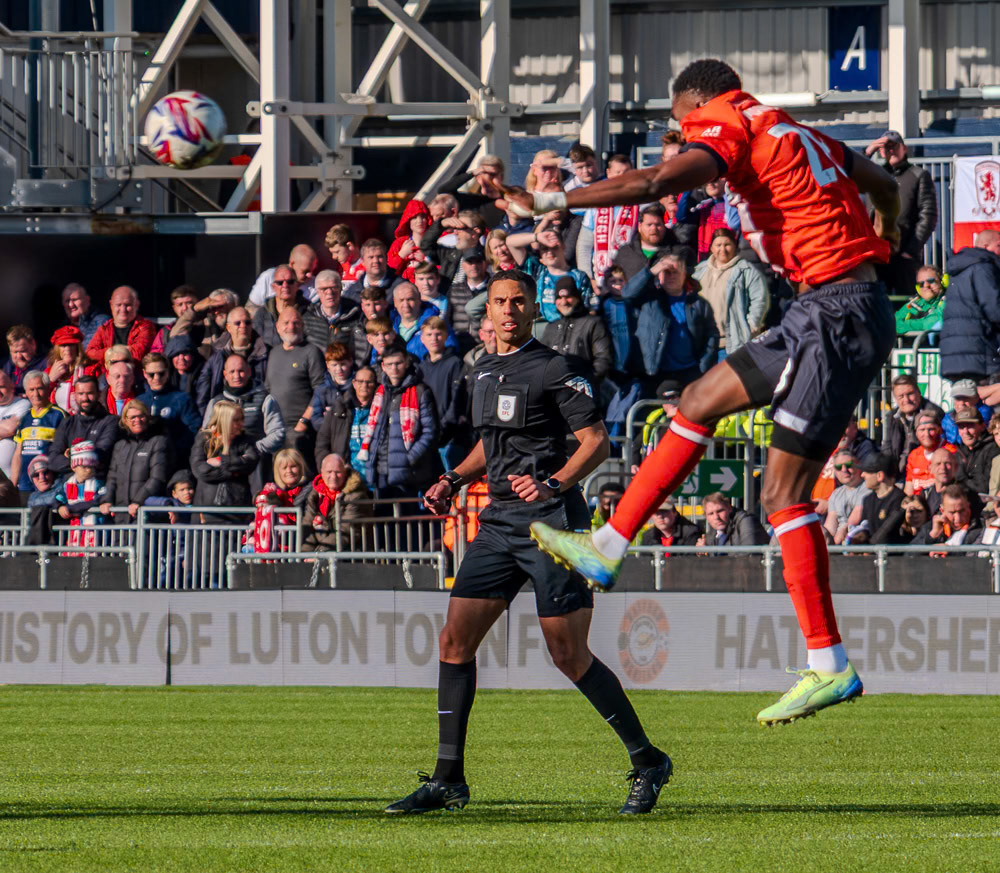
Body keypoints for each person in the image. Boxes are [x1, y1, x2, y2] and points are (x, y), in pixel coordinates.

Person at [515, 58, 900, 725]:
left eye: (682, 121)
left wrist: (555, 201)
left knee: (781, 492)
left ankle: (828, 663)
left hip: (835, 312)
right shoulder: (794, 129)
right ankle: (608, 544)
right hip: (825, 310)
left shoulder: (724, 121)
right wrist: (886, 238)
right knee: (696, 401)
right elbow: (887, 184)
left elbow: (659, 180)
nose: (686, 133)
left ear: (696, 103)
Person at [386, 268, 670, 817]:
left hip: (552, 526)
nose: (509, 310)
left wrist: (553, 483)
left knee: (568, 655)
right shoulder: (484, 368)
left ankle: (648, 760)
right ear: (486, 311)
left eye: (518, 301)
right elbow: (493, 446)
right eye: (499, 302)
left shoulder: (555, 367)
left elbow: (596, 442)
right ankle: (448, 779)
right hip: (497, 525)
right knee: (453, 643)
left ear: (531, 309)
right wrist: (453, 479)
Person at [621, 248, 719, 391]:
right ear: (659, 275)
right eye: (667, 272)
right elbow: (626, 294)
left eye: (676, 272)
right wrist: (653, 269)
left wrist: (704, 365)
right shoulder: (649, 299)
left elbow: (711, 335)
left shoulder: (698, 303)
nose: (671, 276)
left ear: (684, 274)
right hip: (655, 372)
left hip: (690, 371)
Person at [357, 344, 440, 499]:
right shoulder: (380, 392)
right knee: (383, 520)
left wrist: (410, 458)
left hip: (408, 474)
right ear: (383, 366)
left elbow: (431, 432)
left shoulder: (420, 391)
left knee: (408, 520)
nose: (394, 368)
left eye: (398, 363)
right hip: (381, 471)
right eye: (389, 364)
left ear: (407, 363)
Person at [864, 130, 938, 294]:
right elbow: (848, 174)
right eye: (886, 147)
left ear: (904, 149)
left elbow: (928, 215)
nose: (890, 150)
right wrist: (868, 152)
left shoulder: (918, 175)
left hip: (904, 256)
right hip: (877, 255)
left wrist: (910, 251)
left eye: (894, 146)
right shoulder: (874, 174)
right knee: (877, 305)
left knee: (907, 306)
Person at [204, 352, 286, 493]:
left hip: (255, 464)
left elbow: (278, 433)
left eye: (241, 371)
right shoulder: (215, 402)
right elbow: (206, 435)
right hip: (223, 463)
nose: (237, 376)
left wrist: (253, 450)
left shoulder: (265, 399)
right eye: (232, 372)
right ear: (225, 374)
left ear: (249, 372)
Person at [693, 228, 768, 359]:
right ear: (711, 248)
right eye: (718, 245)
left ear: (735, 247)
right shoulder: (700, 271)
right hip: (703, 343)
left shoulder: (746, 270)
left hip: (731, 344)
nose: (723, 249)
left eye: (727, 245)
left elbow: (760, 301)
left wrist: (750, 328)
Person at [940, 229, 1000, 382]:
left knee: (965, 402)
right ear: (986, 246)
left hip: (955, 356)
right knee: (992, 401)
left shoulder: (959, 269)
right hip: (980, 354)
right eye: (999, 245)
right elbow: (994, 308)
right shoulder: (983, 266)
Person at [99, 400, 171, 522]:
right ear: (125, 420)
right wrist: (107, 500)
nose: (137, 420)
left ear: (147, 418)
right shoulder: (120, 446)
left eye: (141, 416)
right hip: (121, 514)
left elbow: (157, 478)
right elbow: (112, 478)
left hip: (145, 515)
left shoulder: (158, 442)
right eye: (132, 417)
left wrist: (138, 501)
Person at [265, 309, 325, 453]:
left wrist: (303, 422)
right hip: (275, 430)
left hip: (299, 431)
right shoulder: (274, 353)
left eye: (296, 323)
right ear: (278, 327)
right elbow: (268, 389)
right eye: (286, 323)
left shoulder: (311, 352)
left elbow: (321, 389)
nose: (291, 327)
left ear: (303, 326)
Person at [189, 400, 259, 522]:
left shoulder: (246, 440)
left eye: (241, 419)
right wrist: (232, 472)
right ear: (224, 420)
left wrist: (222, 461)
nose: (241, 423)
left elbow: (250, 462)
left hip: (237, 508)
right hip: (207, 511)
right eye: (236, 420)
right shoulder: (205, 439)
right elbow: (200, 470)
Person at [195, 306, 269, 412]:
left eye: (247, 322)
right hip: (223, 413)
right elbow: (203, 391)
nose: (243, 326)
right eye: (238, 323)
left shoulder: (266, 352)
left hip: (256, 412)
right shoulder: (216, 355)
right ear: (228, 327)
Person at [540, 277, 613, 384]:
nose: (564, 302)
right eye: (559, 298)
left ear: (577, 298)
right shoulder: (551, 327)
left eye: (568, 297)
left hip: (584, 391)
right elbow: (541, 359)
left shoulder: (593, 323)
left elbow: (603, 360)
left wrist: (585, 383)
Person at [418, 317, 467, 470]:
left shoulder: (455, 363)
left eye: (438, 334)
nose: (434, 339)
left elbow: (456, 400)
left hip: (449, 437)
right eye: (429, 334)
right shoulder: (420, 367)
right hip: (426, 437)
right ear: (422, 338)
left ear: (446, 336)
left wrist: (444, 429)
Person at [46, 375, 118, 479]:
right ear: (74, 396)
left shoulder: (110, 422)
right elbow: (53, 460)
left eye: (90, 393)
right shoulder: (67, 423)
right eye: (81, 394)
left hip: (99, 486)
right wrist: (82, 462)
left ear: (99, 394)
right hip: (69, 488)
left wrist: (71, 455)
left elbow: (100, 455)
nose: (85, 398)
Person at [10, 371, 67, 496]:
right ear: (26, 392)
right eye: (31, 389)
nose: (35, 394)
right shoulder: (25, 417)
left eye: (39, 388)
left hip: (49, 483)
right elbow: (18, 454)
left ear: (48, 389)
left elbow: (65, 450)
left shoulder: (59, 415)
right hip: (26, 485)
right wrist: (14, 483)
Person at [302, 453, 372, 552]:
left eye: (338, 472)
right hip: (321, 553)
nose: (333, 476)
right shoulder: (315, 495)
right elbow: (308, 524)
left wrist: (319, 555)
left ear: (345, 472)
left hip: (351, 555)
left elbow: (346, 531)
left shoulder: (356, 496)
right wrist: (305, 554)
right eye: (329, 472)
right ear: (321, 473)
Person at [137, 353, 202, 458]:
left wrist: (171, 450)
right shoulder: (139, 401)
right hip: (143, 459)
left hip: (173, 458)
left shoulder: (182, 399)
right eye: (151, 374)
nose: (156, 378)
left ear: (167, 372)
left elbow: (194, 430)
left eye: (161, 373)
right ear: (144, 373)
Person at [881, 374, 944, 476]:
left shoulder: (933, 414)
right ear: (895, 398)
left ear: (918, 392)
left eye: (910, 394)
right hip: (898, 472)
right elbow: (887, 448)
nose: (906, 400)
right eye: (901, 396)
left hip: (925, 470)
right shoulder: (892, 417)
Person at [315, 366, 376, 472]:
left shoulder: (382, 410)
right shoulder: (337, 410)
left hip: (374, 473)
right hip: (345, 475)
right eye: (360, 381)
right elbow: (322, 444)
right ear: (354, 383)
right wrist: (328, 469)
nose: (364, 385)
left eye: (369, 382)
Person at [85, 286, 157, 375]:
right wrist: (125, 350)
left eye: (128, 305)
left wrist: (108, 353)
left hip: (137, 379)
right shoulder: (104, 329)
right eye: (118, 305)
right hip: (109, 378)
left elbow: (138, 353)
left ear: (136, 304)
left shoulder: (145, 326)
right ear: (111, 305)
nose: (123, 309)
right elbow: (90, 353)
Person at [252, 448, 310, 553]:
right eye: (284, 468)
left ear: (301, 467)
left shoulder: (310, 490)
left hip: (302, 544)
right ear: (278, 471)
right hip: (277, 547)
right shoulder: (271, 492)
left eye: (293, 466)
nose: (289, 471)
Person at [54, 441, 108, 550]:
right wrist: (59, 507)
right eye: (84, 466)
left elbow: (97, 500)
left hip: (96, 531)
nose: (89, 469)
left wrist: (72, 508)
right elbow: (57, 497)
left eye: (92, 466)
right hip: (75, 530)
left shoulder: (99, 484)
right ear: (74, 467)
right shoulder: (66, 485)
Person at [845, 453, 906, 545]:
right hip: (870, 555)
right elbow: (865, 529)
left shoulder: (899, 499)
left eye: (867, 471)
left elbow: (888, 533)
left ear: (879, 476)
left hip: (893, 556)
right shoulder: (868, 500)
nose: (862, 475)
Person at [158, 287, 238, 355]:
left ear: (234, 307)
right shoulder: (202, 326)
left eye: (221, 306)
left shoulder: (242, 326)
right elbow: (175, 337)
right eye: (213, 307)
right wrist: (194, 310)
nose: (216, 312)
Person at [304, 269, 362, 355]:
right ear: (317, 291)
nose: (329, 293)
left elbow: (362, 345)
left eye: (334, 288)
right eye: (324, 289)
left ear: (341, 288)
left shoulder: (356, 314)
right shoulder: (307, 317)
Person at [252, 264, 312, 349]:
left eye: (290, 282)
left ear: (297, 285)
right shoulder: (262, 314)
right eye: (280, 283)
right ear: (273, 287)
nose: (285, 286)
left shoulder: (310, 310)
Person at [419, 210, 486, 286]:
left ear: (475, 232)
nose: (455, 232)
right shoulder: (450, 254)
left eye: (460, 228)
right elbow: (426, 246)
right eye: (454, 228)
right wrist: (441, 225)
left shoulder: (486, 257)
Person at [247, 244, 319, 309]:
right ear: (292, 263)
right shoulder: (268, 277)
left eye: (313, 270)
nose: (309, 275)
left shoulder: (316, 286)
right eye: (305, 271)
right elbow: (251, 308)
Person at [911, 484, 985, 546]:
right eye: (952, 513)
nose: (958, 518)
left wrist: (948, 552)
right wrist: (932, 536)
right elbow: (908, 555)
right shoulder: (930, 527)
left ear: (968, 507)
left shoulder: (980, 528)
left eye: (962, 511)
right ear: (942, 511)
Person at [823, 451, 870, 544]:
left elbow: (851, 524)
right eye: (839, 467)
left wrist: (835, 548)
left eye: (848, 465)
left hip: (858, 540)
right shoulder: (836, 494)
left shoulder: (868, 488)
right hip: (839, 543)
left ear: (858, 465)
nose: (844, 470)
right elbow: (830, 526)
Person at [904, 411, 955, 495]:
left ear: (939, 430)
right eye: (922, 430)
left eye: (931, 429)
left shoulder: (950, 452)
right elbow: (908, 489)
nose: (926, 434)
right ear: (916, 433)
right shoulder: (914, 455)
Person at [951, 407, 999, 497]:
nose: (966, 432)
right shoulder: (957, 453)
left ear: (982, 426)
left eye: (970, 425)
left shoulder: (993, 450)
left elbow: (985, 488)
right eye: (961, 426)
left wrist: (962, 480)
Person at [696, 493, 769, 548]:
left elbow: (748, 554)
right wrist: (704, 553)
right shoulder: (712, 534)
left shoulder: (746, 520)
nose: (716, 517)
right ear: (706, 517)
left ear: (729, 508)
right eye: (711, 514)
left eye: (720, 511)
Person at [895, 265, 946, 336]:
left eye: (931, 281)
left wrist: (906, 324)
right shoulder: (914, 303)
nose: (926, 285)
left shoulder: (947, 300)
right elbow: (891, 324)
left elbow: (929, 324)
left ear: (942, 282)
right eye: (921, 283)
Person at [45, 326, 87, 413]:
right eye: (63, 345)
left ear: (77, 347)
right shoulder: (48, 372)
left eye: (71, 345)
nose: (67, 349)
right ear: (57, 349)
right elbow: (38, 399)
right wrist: (51, 380)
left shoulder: (89, 371)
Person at [344, 239, 397, 304]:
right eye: (371, 257)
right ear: (362, 261)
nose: (375, 261)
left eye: (380, 256)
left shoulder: (400, 288)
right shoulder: (351, 292)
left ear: (386, 259)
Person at [942, 379, 993, 446]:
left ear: (977, 397)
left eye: (966, 398)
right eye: (957, 398)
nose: (961, 403)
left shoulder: (985, 414)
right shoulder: (947, 418)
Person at [0, 372, 30, 480]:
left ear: (12, 386)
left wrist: (7, 429)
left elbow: (11, 429)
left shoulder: (22, 403)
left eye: (1, 387)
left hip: (10, 478)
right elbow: (6, 429)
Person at [60, 283, 109, 347]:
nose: (71, 305)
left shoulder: (103, 322)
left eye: (75, 299)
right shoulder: (62, 328)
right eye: (67, 301)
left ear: (87, 300)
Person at [3, 326, 47, 395]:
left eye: (23, 351)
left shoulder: (46, 364)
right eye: (15, 352)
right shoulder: (6, 366)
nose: (19, 356)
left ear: (33, 344)